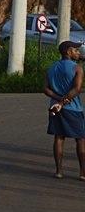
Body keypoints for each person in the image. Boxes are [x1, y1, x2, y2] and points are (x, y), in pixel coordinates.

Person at [44, 40, 85, 180]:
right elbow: (77, 89)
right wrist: (63, 101)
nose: (78, 53)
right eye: (76, 50)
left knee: (59, 137)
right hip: (74, 109)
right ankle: (82, 173)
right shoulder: (77, 68)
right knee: (80, 139)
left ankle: (59, 171)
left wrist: (58, 100)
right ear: (68, 52)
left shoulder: (51, 67)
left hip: (55, 108)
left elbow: (46, 89)